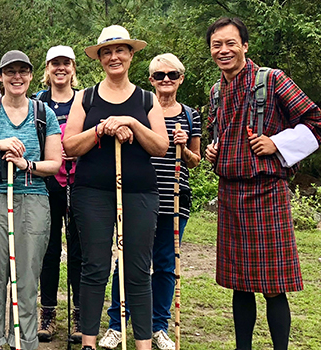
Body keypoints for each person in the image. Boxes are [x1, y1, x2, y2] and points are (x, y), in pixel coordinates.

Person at [204, 17, 321, 350]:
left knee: (273, 284)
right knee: (239, 283)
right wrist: (214, 149)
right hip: (229, 191)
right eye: (217, 45)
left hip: (267, 192)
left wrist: (277, 143)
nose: (224, 50)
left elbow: (316, 123)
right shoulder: (217, 91)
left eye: (231, 43)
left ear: (245, 45)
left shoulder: (272, 80)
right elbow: (220, 134)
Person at [62, 25, 168, 350]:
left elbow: (160, 147)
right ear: (100, 58)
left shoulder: (148, 100)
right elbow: (69, 145)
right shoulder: (86, 97)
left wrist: (133, 124)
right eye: (107, 52)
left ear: (131, 54)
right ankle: (90, 344)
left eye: (120, 50)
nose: (113, 56)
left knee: (137, 269)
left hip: (139, 193)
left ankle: (143, 344)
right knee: (96, 266)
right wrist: (101, 130)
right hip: (92, 192)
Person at [98, 53, 202, 350]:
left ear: (181, 78)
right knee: (128, 261)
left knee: (166, 264)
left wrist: (185, 148)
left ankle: (159, 326)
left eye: (172, 75)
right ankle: (118, 324)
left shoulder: (191, 116)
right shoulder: (142, 109)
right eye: (159, 76)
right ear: (151, 80)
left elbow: (195, 162)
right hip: (137, 196)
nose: (165, 80)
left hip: (173, 199)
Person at [0, 50, 62, 350]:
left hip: (32, 198)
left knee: (27, 276)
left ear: (31, 75)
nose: (17, 77)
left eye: (23, 71)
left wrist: (27, 165)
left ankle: (22, 341)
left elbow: (55, 163)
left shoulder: (44, 114)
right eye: (10, 72)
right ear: (1, 77)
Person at [32, 45, 83, 344]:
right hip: (47, 181)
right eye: (55, 64)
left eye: (66, 63)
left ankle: (80, 313)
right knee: (49, 250)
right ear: (47, 68)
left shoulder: (84, 100)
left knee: (79, 250)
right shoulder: (38, 102)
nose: (60, 69)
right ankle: (48, 312)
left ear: (73, 68)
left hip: (80, 182)